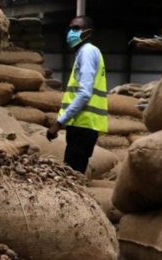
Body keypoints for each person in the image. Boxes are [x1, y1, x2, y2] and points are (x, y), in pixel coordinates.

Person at [46, 15, 109, 174]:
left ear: (88, 33)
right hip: (84, 125)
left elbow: (84, 93)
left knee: (72, 175)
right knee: (74, 171)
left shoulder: (86, 52)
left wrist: (59, 123)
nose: (71, 32)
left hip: (83, 124)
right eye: (70, 28)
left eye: (76, 28)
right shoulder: (89, 52)